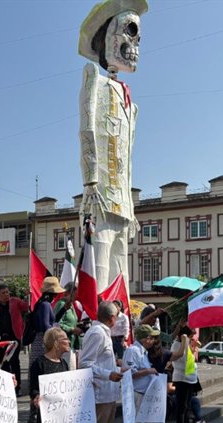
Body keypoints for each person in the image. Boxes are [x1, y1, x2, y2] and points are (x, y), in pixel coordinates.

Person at [78, 0, 148, 293]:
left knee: (121, 275)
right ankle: (96, 323)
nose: (136, 42)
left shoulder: (130, 101)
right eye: (130, 31)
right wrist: (91, 179)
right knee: (100, 266)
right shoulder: (95, 79)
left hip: (121, 202)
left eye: (138, 35)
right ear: (107, 36)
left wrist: (131, 205)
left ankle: (120, 324)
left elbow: (128, 157)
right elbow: (87, 126)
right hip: (101, 197)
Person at [80, 301, 128, 423]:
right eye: (117, 316)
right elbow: (86, 363)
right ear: (112, 318)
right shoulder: (97, 333)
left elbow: (102, 361)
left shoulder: (104, 333)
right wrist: (109, 374)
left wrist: (116, 368)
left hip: (108, 392)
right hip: (100, 393)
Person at [122, 324, 160, 423]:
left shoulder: (142, 352)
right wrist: (148, 371)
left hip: (144, 394)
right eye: (151, 338)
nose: (153, 341)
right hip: (136, 394)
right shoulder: (133, 351)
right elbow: (130, 373)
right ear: (146, 339)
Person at [28, 277, 66, 423]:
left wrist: (62, 311)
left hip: (41, 340)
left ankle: (35, 412)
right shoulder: (45, 305)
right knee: (40, 376)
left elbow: (50, 321)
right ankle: (34, 412)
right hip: (42, 341)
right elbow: (46, 325)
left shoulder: (43, 304)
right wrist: (56, 331)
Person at [0, 283, 28, 395]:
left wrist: (29, 296)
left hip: (14, 337)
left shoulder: (15, 301)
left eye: (7, 292)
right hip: (0, 339)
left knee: (14, 362)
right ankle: (6, 387)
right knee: (3, 363)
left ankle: (17, 388)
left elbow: (26, 307)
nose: (6, 294)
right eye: (3, 293)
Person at [169, 327, 195, 423]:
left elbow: (191, 359)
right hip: (181, 379)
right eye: (189, 336)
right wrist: (185, 343)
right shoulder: (177, 345)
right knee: (182, 407)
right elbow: (183, 359)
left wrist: (191, 346)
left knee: (187, 407)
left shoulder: (187, 343)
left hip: (189, 379)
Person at [53, 283, 84, 351]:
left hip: (71, 344)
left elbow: (71, 321)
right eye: (76, 292)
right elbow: (56, 324)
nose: (77, 295)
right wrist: (71, 329)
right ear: (70, 292)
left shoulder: (71, 304)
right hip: (63, 344)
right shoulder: (62, 304)